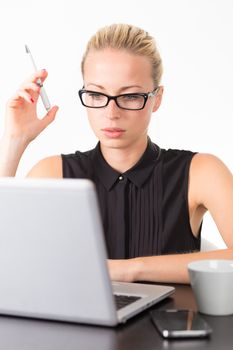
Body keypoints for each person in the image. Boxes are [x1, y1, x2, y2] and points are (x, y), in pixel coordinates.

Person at [0, 24, 232, 284]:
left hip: (166, 324)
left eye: (131, 96)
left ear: (157, 98)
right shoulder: (53, 173)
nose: (111, 113)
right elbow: (6, 261)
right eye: (97, 95)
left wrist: (129, 270)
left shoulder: (201, 171)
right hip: (77, 324)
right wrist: (14, 141)